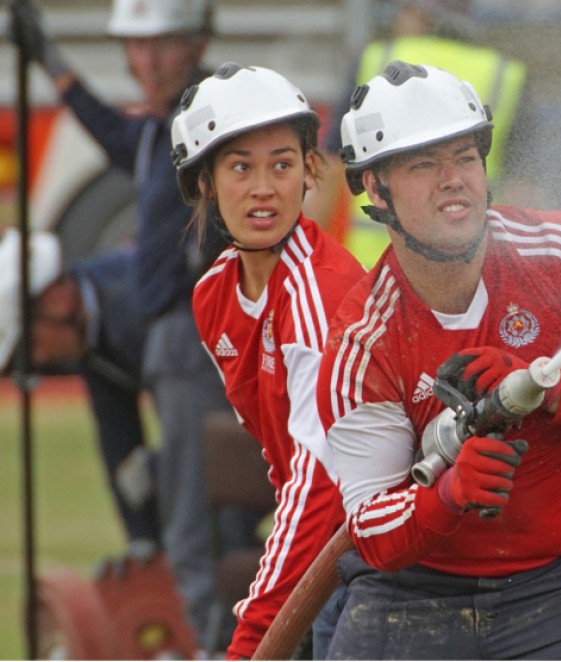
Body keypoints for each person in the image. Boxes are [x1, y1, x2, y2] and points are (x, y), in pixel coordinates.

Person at [314, 60, 561, 660]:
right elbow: (372, 533)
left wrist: (552, 393)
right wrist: (446, 496)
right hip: (414, 589)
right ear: (375, 190)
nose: (454, 180)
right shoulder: (361, 343)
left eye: (466, 157)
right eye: (424, 164)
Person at [8, 0, 247, 647]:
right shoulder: (153, 135)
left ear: (197, 43)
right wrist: (51, 62)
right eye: (136, 49)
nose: (147, 62)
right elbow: (111, 130)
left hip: (192, 336)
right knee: (204, 508)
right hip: (179, 341)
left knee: (201, 518)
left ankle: (217, 646)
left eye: (163, 45)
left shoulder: (210, 121)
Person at [171, 63, 366, 659]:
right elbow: (283, 460)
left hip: (378, 563)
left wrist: (252, 636)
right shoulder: (213, 296)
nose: (264, 187)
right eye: (240, 167)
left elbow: (321, 479)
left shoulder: (322, 292)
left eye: (282, 164)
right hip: (322, 555)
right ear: (204, 181)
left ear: (311, 171)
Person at [303, 0, 527, 269]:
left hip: (373, 268)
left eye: (404, 8)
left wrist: (307, 259)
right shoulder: (504, 73)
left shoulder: (376, 58)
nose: (398, 18)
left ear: (421, 14)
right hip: (473, 267)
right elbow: (523, 190)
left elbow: (332, 169)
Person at [0, 229, 159, 556]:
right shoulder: (91, 331)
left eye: (30, 344)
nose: (41, 359)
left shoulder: (131, 308)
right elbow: (118, 443)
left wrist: (159, 470)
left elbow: (196, 426)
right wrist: (142, 543)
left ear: (58, 300)